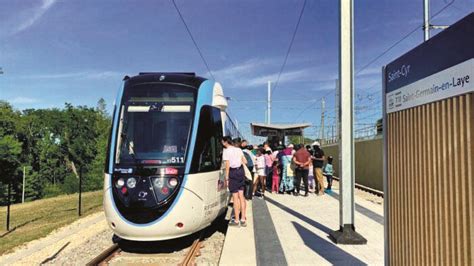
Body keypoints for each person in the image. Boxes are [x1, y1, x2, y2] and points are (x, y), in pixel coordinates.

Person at [222, 136, 248, 227]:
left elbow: (227, 166)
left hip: (233, 173)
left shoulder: (226, 151)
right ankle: (243, 219)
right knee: (242, 196)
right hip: (240, 171)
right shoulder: (238, 149)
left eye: (222, 142)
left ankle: (236, 221)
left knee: (235, 197)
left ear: (225, 142)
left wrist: (227, 178)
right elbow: (245, 161)